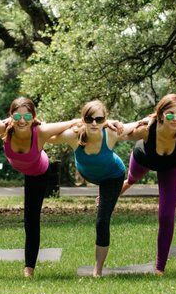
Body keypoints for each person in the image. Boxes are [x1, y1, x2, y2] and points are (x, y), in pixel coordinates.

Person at [0, 98, 80, 277]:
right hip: (24, 166)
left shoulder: (41, 131)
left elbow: (73, 122)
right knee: (28, 219)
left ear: (34, 117)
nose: (22, 120)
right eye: (17, 115)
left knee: (31, 219)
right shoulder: (3, 128)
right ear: (11, 116)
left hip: (38, 172)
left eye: (27, 116)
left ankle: (28, 268)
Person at [53, 100, 144, 276]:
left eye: (99, 119)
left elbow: (137, 125)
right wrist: (73, 122)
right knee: (103, 210)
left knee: (102, 221)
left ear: (105, 119)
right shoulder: (74, 135)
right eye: (89, 119)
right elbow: (48, 136)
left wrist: (150, 119)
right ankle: (103, 198)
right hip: (89, 174)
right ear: (83, 119)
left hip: (112, 176)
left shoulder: (111, 132)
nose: (94, 123)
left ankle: (98, 270)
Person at [119, 94, 176, 274]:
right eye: (170, 114)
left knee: (166, 216)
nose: (175, 118)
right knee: (132, 179)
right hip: (145, 158)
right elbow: (122, 134)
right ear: (161, 114)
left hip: (171, 165)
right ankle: (121, 188)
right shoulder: (147, 130)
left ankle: (160, 268)